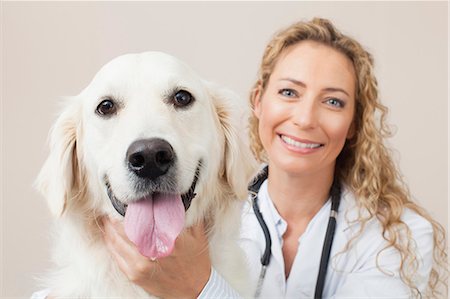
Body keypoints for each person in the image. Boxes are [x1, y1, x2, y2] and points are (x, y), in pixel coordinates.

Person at [34, 17, 447, 298]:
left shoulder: (400, 238)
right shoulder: (235, 211)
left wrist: (200, 289)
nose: (304, 118)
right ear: (258, 102)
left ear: (354, 122)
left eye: (334, 101)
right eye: (289, 92)